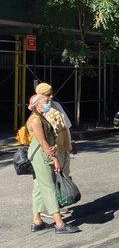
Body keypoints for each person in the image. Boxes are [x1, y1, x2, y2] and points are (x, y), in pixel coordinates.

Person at [26, 94, 80, 234]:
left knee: (39, 186)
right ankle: (59, 224)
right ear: (37, 105)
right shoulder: (36, 120)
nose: (49, 103)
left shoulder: (40, 116)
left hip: (40, 152)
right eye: (46, 102)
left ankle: (37, 221)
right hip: (40, 154)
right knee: (48, 187)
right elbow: (43, 142)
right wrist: (54, 158)